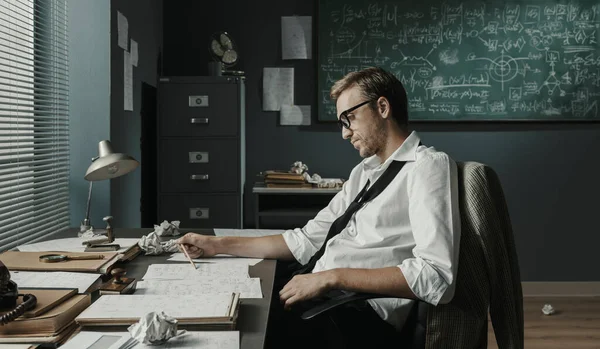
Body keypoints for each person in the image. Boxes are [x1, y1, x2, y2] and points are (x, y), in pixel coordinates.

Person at [177, 67, 461, 349]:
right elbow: (304, 240)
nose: (344, 134)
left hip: (357, 316)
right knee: (220, 305)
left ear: (382, 107)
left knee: (231, 335)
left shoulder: (426, 167)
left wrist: (330, 277)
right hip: (324, 297)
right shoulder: (365, 173)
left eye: (348, 118)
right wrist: (217, 244)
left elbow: (435, 275)